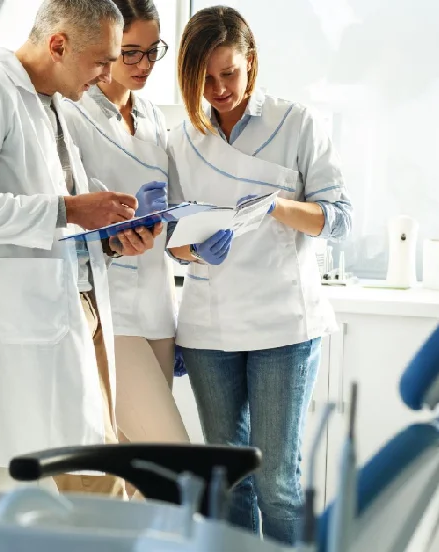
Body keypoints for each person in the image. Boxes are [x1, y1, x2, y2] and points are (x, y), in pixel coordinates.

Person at [0, 0, 166, 498]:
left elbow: (63, 228)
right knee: (99, 492)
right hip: (36, 322)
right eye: (102, 60)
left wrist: (113, 239)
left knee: (100, 476)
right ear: (58, 44)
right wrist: (71, 210)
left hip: (83, 313)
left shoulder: (53, 102)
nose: (109, 74)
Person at [167, 6, 353, 544]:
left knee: (277, 483)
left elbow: (339, 219)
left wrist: (276, 207)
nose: (219, 88)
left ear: (251, 62)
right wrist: (193, 251)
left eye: (229, 73)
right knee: (229, 483)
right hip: (209, 327)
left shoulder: (297, 123)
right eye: (205, 77)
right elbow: (173, 245)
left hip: (282, 325)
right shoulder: (182, 140)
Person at [59, 0, 190, 458]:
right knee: (176, 461)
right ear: (108, 45)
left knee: (138, 474)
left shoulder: (154, 115)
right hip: (108, 307)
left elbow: (171, 212)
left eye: (154, 51)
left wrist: (190, 235)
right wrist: (114, 234)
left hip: (158, 304)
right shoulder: (71, 113)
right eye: (130, 52)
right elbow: (65, 216)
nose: (144, 65)